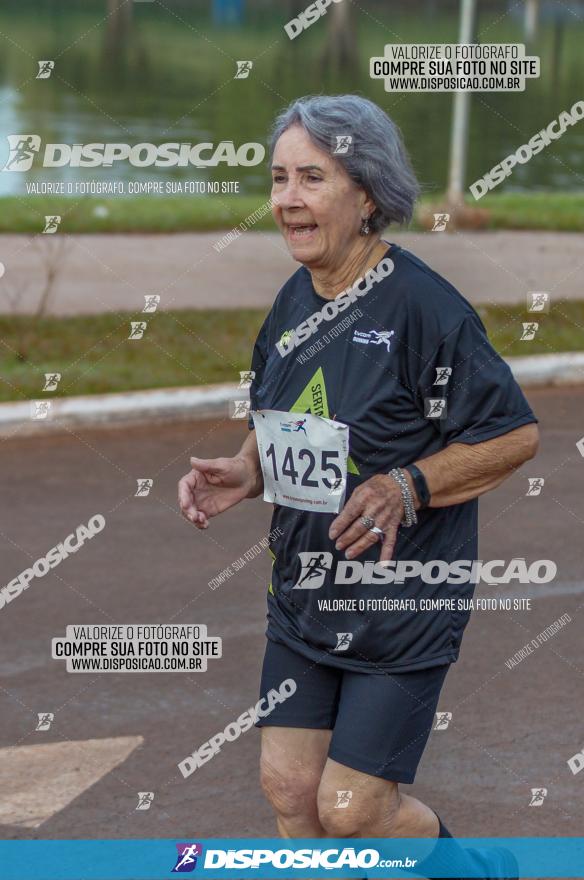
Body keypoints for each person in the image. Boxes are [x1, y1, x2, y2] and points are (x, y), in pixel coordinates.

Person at [178, 94, 539, 876]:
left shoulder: (424, 309)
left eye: (312, 177)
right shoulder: (292, 299)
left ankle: (470, 871)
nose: (287, 199)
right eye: (278, 178)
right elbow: (280, 417)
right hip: (305, 592)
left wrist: (409, 483)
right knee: (289, 790)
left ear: (367, 192)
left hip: (401, 604)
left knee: (352, 810)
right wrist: (245, 470)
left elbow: (514, 433)